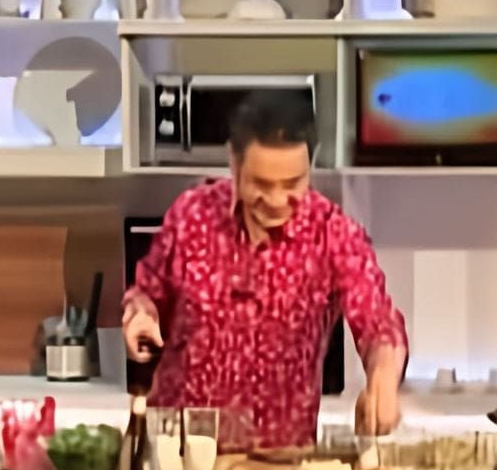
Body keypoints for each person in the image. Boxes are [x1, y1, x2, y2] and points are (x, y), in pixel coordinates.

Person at [123, 92, 408, 450]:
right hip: (175, 454)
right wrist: (140, 316)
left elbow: (379, 322)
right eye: (260, 184)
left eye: (292, 184)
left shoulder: (332, 233)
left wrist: (383, 374)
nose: (276, 200)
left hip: (278, 462)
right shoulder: (191, 216)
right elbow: (146, 294)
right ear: (234, 163)